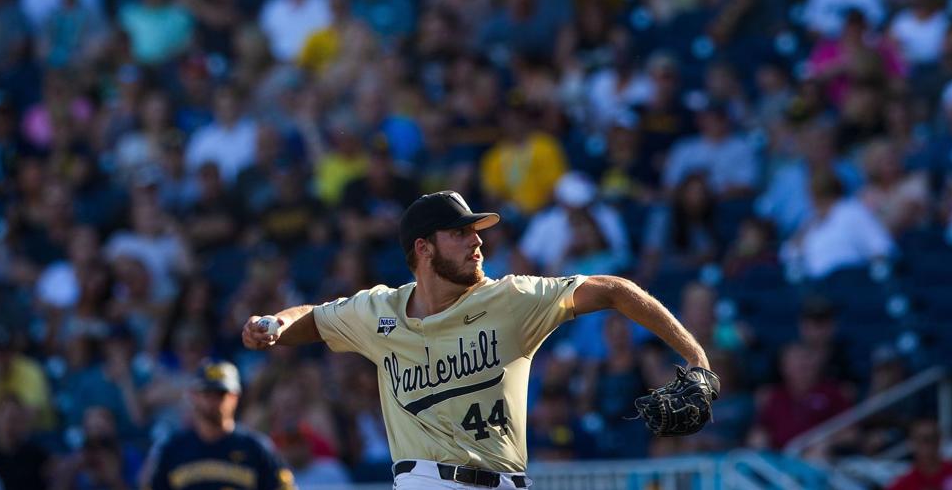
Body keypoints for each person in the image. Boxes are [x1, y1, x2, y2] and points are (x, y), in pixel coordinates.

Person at [242, 191, 713, 489]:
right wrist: (275, 323)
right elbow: (314, 319)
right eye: (460, 232)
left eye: (476, 231)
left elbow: (612, 290)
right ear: (423, 249)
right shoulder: (378, 311)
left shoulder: (514, 299)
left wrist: (696, 357)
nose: (477, 241)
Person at [142, 359, 295, 490]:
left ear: (235, 397)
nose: (213, 402)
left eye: (220, 394)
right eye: (207, 393)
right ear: (194, 396)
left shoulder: (257, 449)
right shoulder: (171, 450)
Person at [887, 419, 952, 490]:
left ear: (940, 440)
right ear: (911, 444)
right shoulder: (903, 485)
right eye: (921, 439)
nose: (927, 444)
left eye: (931, 438)